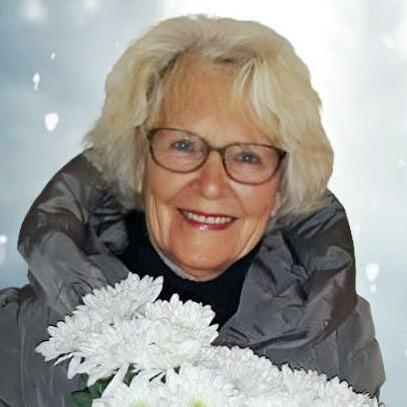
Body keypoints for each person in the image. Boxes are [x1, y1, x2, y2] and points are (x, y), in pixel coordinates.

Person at [0, 15, 385, 407]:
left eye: (248, 156)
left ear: (281, 186)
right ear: (139, 159)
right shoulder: (20, 334)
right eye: (183, 145)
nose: (211, 184)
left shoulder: (340, 337)